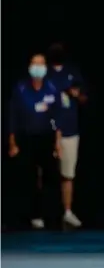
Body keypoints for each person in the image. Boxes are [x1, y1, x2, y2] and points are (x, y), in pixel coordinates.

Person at [9, 53, 62, 229]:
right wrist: (12, 143)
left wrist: (58, 143)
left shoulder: (52, 88)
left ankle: (51, 217)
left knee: (50, 179)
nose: (37, 67)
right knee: (26, 179)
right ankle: (27, 217)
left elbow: (57, 118)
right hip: (26, 139)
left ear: (45, 67)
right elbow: (13, 117)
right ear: (29, 66)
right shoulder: (21, 88)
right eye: (34, 64)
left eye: (41, 64)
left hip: (46, 138)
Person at [46, 42, 86, 227]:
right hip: (47, 130)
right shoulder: (45, 75)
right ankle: (41, 213)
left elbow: (84, 98)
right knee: (43, 172)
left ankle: (67, 212)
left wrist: (76, 94)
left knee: (68, 173)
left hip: (70, 130)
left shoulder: (72, 72)